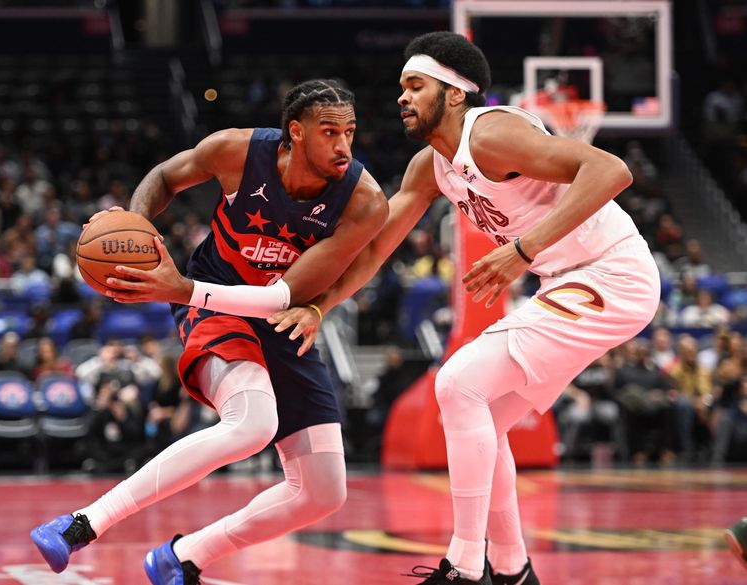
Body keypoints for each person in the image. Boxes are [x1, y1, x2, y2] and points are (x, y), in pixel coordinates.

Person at [269, 32, 660, 585]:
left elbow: (611, 170)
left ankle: (465, 564)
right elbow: (377, 246)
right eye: (401, 87)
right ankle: (511, 568)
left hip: (612, 273)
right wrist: (322, 306)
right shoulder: (430, 167)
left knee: (458, 384)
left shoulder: (495, 132)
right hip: (565, 279)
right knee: (481, 416)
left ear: (454, 93)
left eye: (415, 85)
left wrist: (522, 251)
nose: (401, 98)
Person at [30, 78, 388, 584]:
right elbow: (165, 175)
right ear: (296, 132)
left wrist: (182, 289)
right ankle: (80, 524)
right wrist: (137, 229)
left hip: (279, 311)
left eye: (350, 132)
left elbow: (282, 297)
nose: (344, 146)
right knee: (252, 423)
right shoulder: (236, 151)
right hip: (216, 296)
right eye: (330, 132)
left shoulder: (363, 199)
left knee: (323, 491)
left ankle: (181, 558)